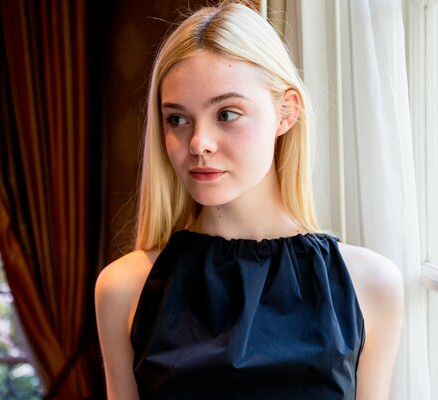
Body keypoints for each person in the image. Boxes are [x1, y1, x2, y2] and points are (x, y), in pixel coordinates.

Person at [95, 1, 403, 399]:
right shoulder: (124, 289)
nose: (198, 143)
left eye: (226, 114)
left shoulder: (370, 284)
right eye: (177, 118)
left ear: (285, 112)